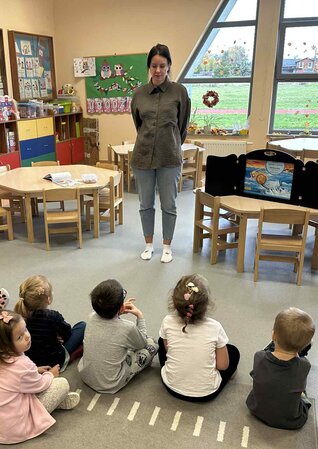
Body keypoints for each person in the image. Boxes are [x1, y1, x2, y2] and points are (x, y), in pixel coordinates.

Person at [0, 310, 80, 444]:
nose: (27, 336)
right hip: (13, 428)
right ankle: (55, 404)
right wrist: (51, 374)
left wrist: (35, 370)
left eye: (25, 329)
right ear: (4, 347)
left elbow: (12, 378)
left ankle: (57, 402)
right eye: (19, 337)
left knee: (25, 388)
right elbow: (40, 385)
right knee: (62, 384)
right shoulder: (23, 365)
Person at [130, 43, 191, 263]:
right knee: (145, 204)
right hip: (142, 157)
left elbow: (182, 126)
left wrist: (171, 142)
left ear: (169, 66)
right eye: (154, 66)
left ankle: (167, 246)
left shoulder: (179, 92)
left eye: (162, 66)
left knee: (169, 204)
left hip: (169, 157)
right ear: (149, 67)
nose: (158, 70)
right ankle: (148, 245)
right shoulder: (139, 94)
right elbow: (138, 124)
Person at [158, 275, 240, 402]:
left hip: (171, 386)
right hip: (206, 394)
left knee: (161, 339)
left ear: (174, 301)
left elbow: (168, 350)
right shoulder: (215, 327)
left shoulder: (167, 321)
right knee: (233, 352)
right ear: (206, 305)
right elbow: (223, 366)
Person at [78, 279, 158, 393]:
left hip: (85, 375)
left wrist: (118, 312)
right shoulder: (128, 327)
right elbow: (142, 343)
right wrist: (140, 316)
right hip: (110, 384)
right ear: (121, 307)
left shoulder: (91, 317)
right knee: (152, 343)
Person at [246, 308, 315, 429]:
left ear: (273, 335)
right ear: (305, 345)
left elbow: (254, 375)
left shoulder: (259, 356)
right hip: (292, 420)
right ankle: (295, 348)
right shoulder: (304, 365)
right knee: (302, 395)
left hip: (256, 409)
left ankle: (274, 347)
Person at [14, 275, 85, 371]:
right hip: (54, 361)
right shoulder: (53, 316)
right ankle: (70, 357)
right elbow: (67, 334)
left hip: (32, 362)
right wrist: (59, 337)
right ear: (49, 299)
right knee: (82, 326)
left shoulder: (19, 318)